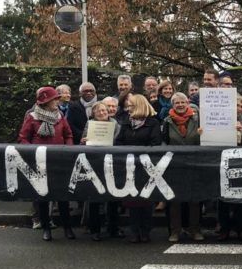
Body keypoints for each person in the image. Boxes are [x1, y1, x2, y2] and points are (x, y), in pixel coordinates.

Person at [18, 86, 75, 242]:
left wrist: (68, 149)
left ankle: (67, 227)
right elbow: (23, 138)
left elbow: (68, 134)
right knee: (43, 197)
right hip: (40, 162)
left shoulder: (60, 117)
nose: (57, 101)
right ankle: (46, 228)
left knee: (63, 196)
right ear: (46, 102)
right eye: (54, 99)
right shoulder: (32, 117)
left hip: (59, 161)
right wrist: (33, 152)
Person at [116, 94, 162, 243]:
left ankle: (145, 230)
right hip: (130, 166)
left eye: (131, 105)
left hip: (147, 167)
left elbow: (155, 143)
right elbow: (119, 142)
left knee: (146, 200)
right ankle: (134, 231)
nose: (128, 108)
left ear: (139, 106)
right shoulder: (126, 123)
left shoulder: (153, 123)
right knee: (132, 201)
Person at [161, 92, 204, 242]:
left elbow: (206, 141)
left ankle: (195, 230)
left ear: (187, 103)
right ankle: (175, 231)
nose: (180, 105)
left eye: (182, 102)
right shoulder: (167, 121)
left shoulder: (198, 120)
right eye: (176, 103)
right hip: (175, 166)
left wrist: (202, 135)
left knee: (195, 200)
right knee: (175, 200)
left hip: (195, 164)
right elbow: (163, 142)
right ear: (172, 105)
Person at [82, 101, 123, 241]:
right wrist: (84, 141)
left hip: (112, 163)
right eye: (98, 111)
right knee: (95, 198)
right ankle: (95, 230)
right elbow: (83, 143)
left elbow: (119, 142)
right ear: (93, 113)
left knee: (113, 198)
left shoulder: (116, 125)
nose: (102, 113)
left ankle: (113, 228)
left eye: (104, 110)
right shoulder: (89, 124)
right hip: (95, 164)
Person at [217, 95, 242, 241]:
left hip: (240, 162)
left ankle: (241, 229)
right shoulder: (220, 119)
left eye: (241, 106)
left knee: (241, 198)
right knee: (223, 199)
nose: (238, 108)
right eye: (236, 105)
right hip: (224, 162)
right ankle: (224, 229)